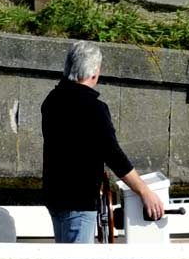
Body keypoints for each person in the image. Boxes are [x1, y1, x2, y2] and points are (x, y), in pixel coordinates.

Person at [42, 41, 165, 243]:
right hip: (79, 201)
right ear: (94, 73)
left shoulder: (51, 101)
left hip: (55, 198)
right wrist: (144, 191)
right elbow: (114, 156)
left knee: (64, 256)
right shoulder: (94, 109)